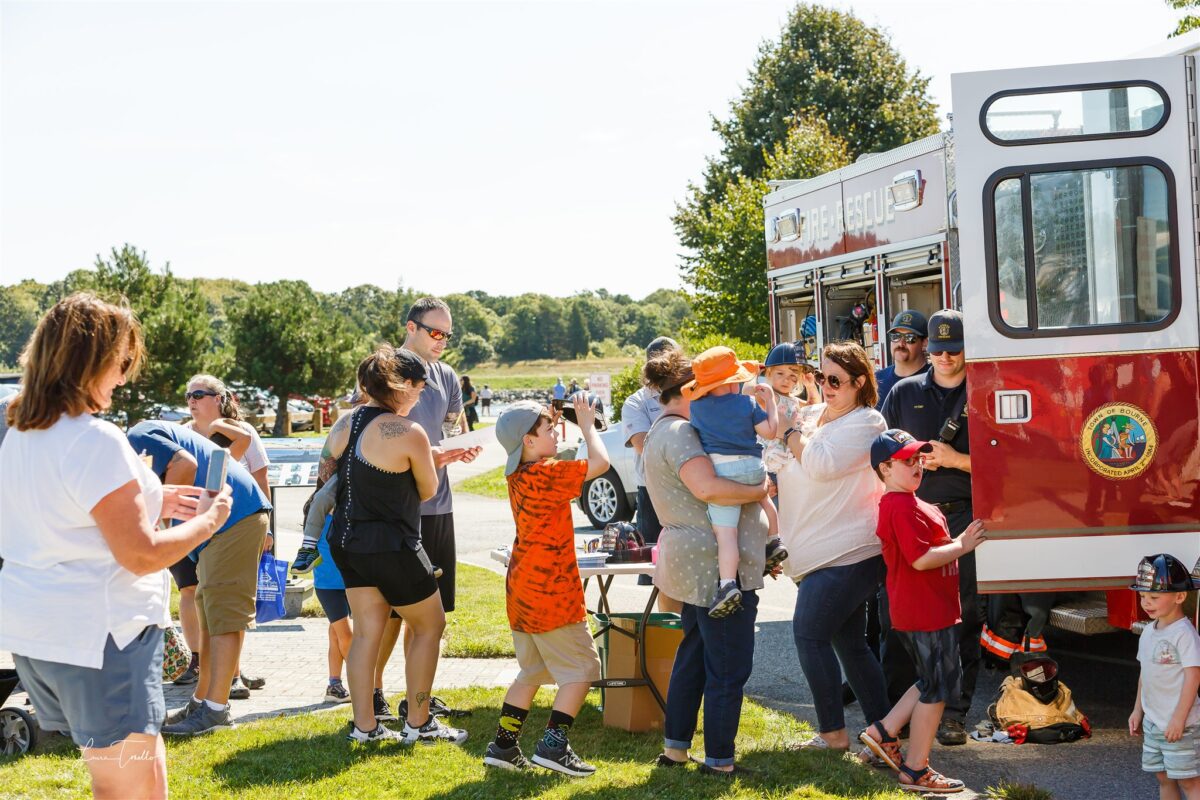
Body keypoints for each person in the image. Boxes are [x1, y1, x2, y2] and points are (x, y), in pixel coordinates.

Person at [0, 293, 232, 799]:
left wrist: (153, 495)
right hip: (102, 637)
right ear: (89, 362)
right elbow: (142, 554)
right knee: (121, 788)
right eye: (121, 362)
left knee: (142, 768)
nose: (124, 377)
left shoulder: (22, 431)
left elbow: (61, 508)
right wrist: (211, 519)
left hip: (43, 634)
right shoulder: (95, 439)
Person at [325, 346, 467, 745]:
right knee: (430, 623)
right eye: (419, 391)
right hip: (393, 544)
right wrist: (427, 459)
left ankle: (364, 727)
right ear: (403, 387)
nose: (420, 398)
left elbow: (329, 472)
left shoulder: (344, 423)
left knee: (367, 631)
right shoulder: (408, 432)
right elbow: (427, 489)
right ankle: (419, 722)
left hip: (346, 540)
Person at [642, 347, 771, 776]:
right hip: (713, 567)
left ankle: (676, 750)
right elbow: (708, 488)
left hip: (698, 563)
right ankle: (719, 762)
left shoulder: (665, 428)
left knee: (695, 657)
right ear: (690, 391)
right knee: (728, 665)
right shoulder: (680, 432)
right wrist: (759, 491)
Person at [484, 394, 609, 775]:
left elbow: (558, 452)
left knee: (533, 672)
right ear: (528, 441)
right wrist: (587, 424)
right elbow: (600, 463)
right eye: (548, 429)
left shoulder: (519, 473)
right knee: (584, 670)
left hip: (522, 588)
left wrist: (545, 417)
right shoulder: (546, 474)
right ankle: (554, 746)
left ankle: (503, 746)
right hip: (551, 591)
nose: (556, 432)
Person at [859, 429, 986, 794]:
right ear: (884, 469)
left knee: (932, 679)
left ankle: (881, 733)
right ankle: (915, 770)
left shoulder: (913, 501)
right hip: (923, 610)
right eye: (906, 461)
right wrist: (963, 545)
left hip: (933, 608)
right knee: (939, 687)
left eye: (918, 458)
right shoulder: (898, 506)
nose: (917, 465)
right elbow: (919, 560)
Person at [776, 341, 889, 750]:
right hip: (813, 550)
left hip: (849, 550)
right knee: (851, 646)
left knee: (809, 635)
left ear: (860, 382)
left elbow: (821, 464)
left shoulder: (867, 422)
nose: (827, 386)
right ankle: (885, 731)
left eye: (836, 380)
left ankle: (833, 735)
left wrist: (790, 434)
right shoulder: (810, 414)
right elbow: (778, 453)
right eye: (822, 378)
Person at [127, 420, 272, 736]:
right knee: (209, 615)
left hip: (235, 518)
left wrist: (162, 524)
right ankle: (201, 701)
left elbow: (184, 463)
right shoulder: (137, 445)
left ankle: (216, 711)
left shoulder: (136, 436)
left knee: (224, 615)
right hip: (223, 525)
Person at [880, 309, 977, 746]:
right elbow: (879, 454)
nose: (944, 358)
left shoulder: (985, 391)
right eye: (937, 350)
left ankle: (953, 713)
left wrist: (955, 460)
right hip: (910, 515)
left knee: (963, 616)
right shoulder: (902, 393)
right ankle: (894, 716)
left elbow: (1010, 462)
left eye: (953, 350)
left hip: (963, 514)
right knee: (897, 620)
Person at [179, 373, 272, 696]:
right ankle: (203, 670)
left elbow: (259, 476)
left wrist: (269, 527)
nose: (191, 400)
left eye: (200, 394)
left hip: (235, 526)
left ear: (219, 398)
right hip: (194, 527)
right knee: (197, 595)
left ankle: (229, 676)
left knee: (228, 603)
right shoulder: (182, 434)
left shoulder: (237, 434)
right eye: (188, 395)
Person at [681, 346, 783, 617]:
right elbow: (771, 432)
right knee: (764, 498)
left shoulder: (697, 408)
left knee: (726, 535)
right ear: (734, 381)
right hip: (754, 468)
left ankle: (727, 585)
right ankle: (775, 539)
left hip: (723, 471)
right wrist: (770, 402)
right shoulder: (747, 404)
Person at [1129, 554, 1200, 800]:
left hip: (1181, 723)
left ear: (1180, 597)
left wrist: (1179, 719)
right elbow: (1144, 673)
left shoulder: (1184, 634)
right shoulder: (1148, 632)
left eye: (1154, 597)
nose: (1146, 603)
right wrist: (1138, 710)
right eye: (1143, 597)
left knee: (1189, 780)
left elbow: (1193, 678)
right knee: (1162, 776)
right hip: (1154, 722)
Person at [622, 336, 677, 587]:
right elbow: (642, 445)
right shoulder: (636, 402)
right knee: (655, 568)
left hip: (692, 485)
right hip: (653, 491)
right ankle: (663, 623)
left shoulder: (691, 392)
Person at [874, 310, 929, 410]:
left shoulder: (934, 379)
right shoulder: (876, 381)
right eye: (896, 337)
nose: (901, 343)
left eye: (910, 338)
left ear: (924, 343)